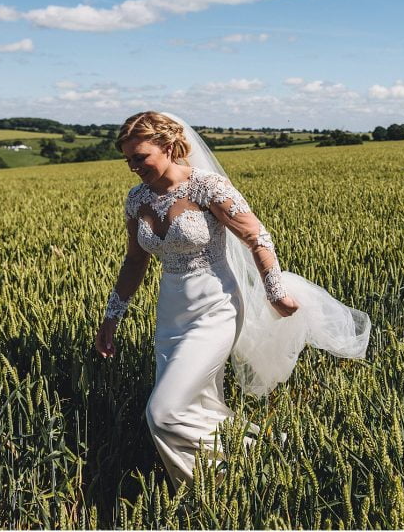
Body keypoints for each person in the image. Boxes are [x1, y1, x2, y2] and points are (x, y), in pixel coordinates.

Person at [94, 111, 370, 487]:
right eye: (128, 160)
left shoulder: (207, 187)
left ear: (169, 146)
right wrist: (112, 318)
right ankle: (237, 474)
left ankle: (233, 472)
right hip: (171, 312)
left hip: (216, 306)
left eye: (140, 157)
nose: (133, 168)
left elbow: (257, 237)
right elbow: (134, 260)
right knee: (194, 404)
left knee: (163, 412)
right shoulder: (137, 199)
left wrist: (275, 291)